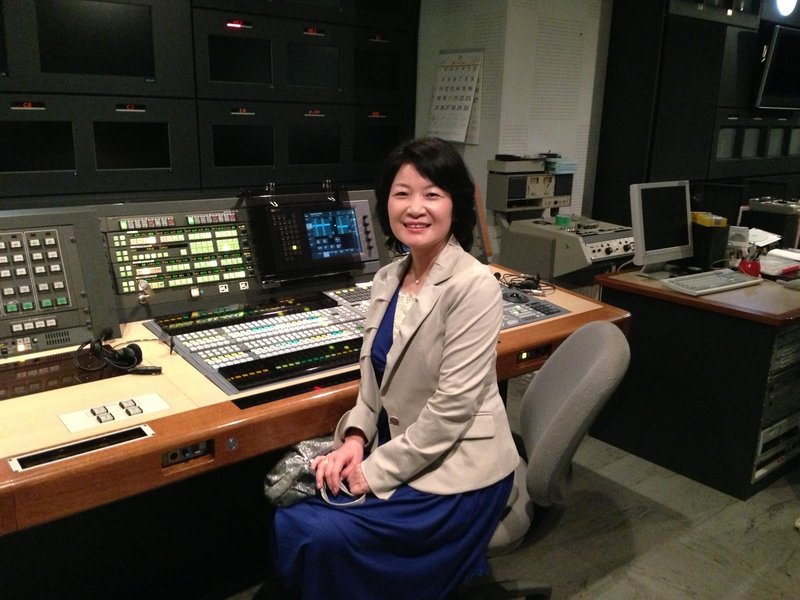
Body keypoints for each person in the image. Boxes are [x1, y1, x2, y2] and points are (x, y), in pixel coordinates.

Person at [269, 137, 520, 600]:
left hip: (459, 471)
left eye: (432, 194)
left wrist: (374, 470)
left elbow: (452, 409)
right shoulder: (388, 278)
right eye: (402, 193)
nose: (415, 208)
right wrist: (354, 438)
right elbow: (373, 384)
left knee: (321, 533)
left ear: (455, 204)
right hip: (399, 448)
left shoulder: (474, 286)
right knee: (294, 516)